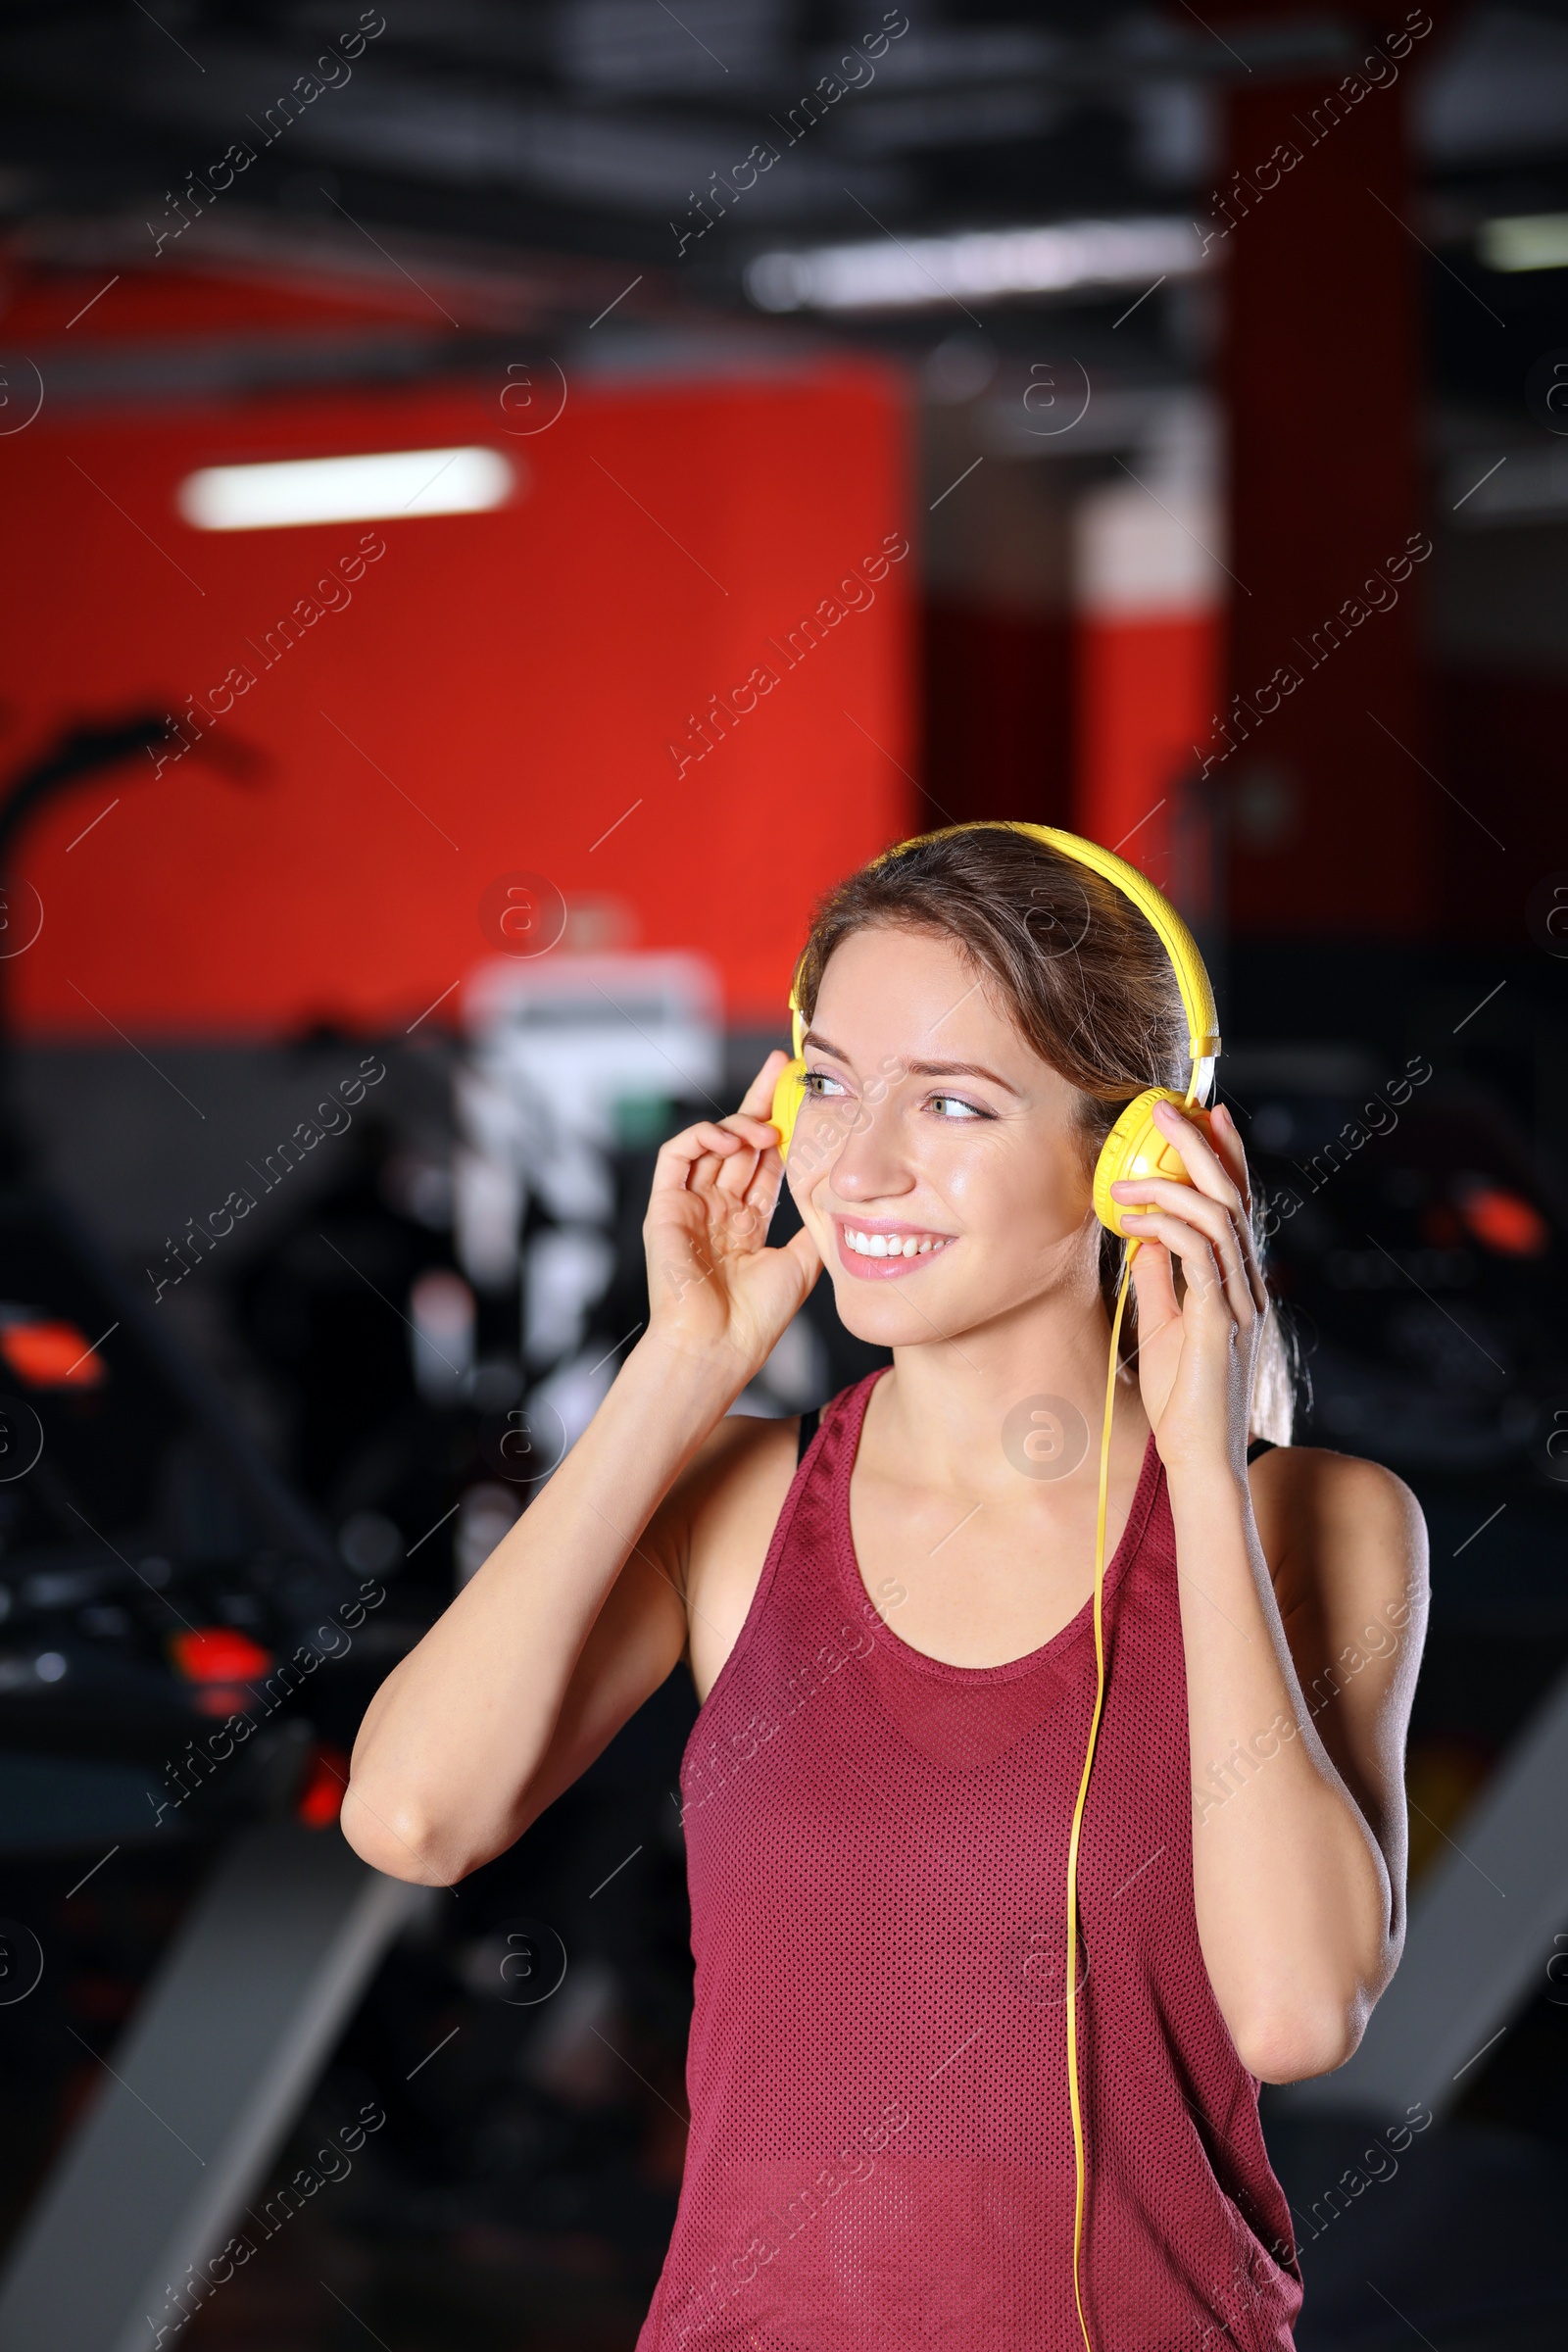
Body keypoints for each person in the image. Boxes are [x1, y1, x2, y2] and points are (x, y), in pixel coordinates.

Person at [343, 824, 1428, 2350]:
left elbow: (1297, 2014)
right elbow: (414, 1817)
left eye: (956, 1103)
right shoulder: (733, 1505)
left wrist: (1199, 1457)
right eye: (832, 1081)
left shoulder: (1309, 1519)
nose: (857, 1165)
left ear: (1135, 1161)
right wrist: (679, 1368)